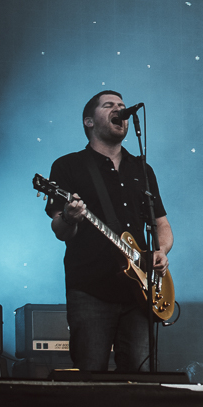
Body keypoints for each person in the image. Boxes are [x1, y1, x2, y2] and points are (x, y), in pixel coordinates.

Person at [46, 91, 172, 372]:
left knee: (139, 376)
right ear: (89, 121)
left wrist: (161, 252)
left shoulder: (142, 169)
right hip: (91, 288)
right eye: (110, 105)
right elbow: (60, 230)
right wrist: (69, 216)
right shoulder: (68, 166)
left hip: (139, 292)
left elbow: (161, 223)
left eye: (123, 107)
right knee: (91, 372)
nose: (120, 110)